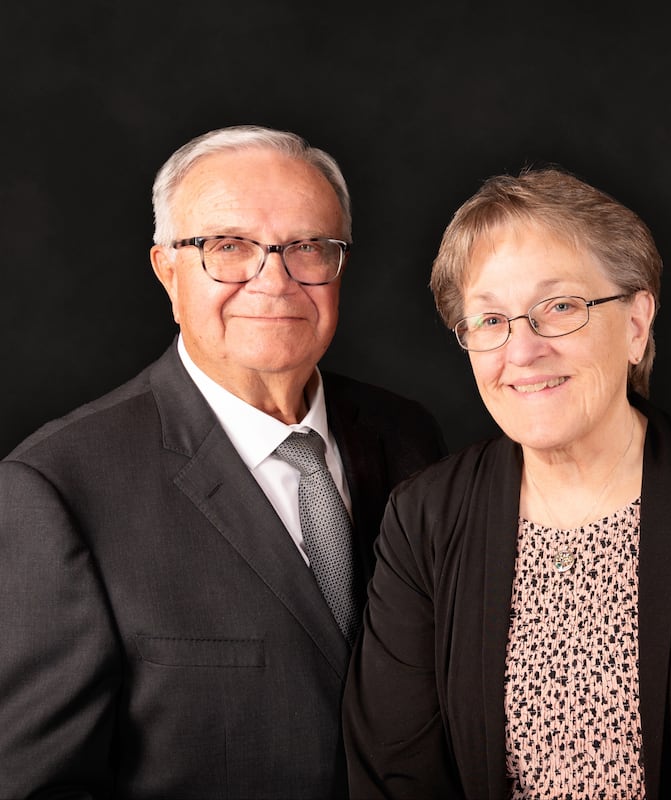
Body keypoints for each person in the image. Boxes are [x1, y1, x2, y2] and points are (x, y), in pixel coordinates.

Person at [0, 125, 445, 798]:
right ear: (166, 270)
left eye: (307, 247)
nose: (275, 280)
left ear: (339, 265)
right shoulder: (59, 488)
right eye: (228, 247)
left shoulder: (409, 437)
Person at [342, 167, 671, 800]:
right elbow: (395, 776)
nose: (522, 350)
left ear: (637, 323)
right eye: (491, 319)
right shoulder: (423, 519)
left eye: (560, 307)